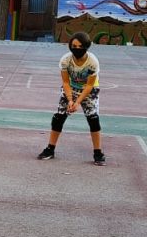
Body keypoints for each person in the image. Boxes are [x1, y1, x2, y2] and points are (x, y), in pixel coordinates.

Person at [37, 32, 105, 165]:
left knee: (93, 119)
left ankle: (98, 153)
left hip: (89, 90)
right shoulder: (65, 60)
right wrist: (70, 100)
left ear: (86, 47)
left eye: (80, 46)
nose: (77, 49)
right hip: (71, 88)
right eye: (74, 46)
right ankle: (50, 149)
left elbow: (90, 85)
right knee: (58, 118)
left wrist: (78, 102)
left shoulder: (92, 62)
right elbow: (66, 82)